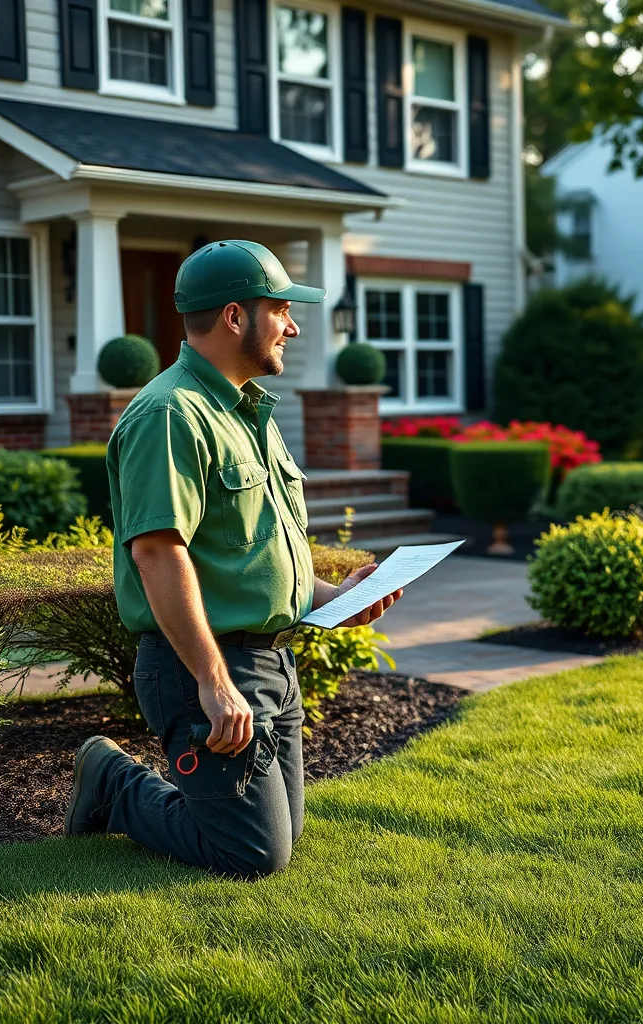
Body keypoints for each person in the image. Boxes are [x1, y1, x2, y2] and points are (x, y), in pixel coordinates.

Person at [64, 239, 403, 879]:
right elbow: (159, 554)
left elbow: (254, 553)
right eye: (280, 310)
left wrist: (335, 597)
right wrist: (214, 683)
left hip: (273, 664)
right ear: (234, 317)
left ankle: (130, 784)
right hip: (208, 667)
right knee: (251, 855)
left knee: (283, 837)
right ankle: (112, 780)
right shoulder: (171, 414)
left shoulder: (249, 412)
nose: (294, 327)